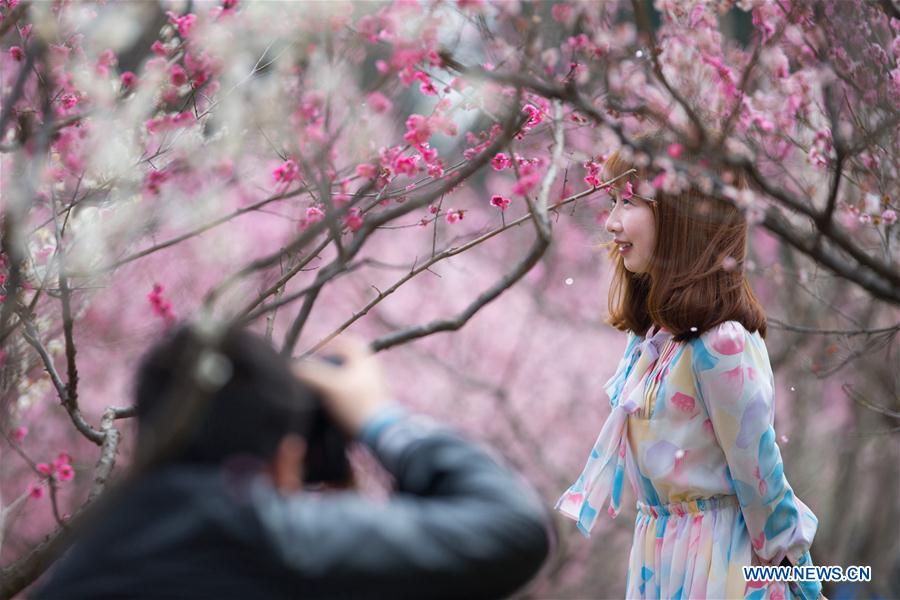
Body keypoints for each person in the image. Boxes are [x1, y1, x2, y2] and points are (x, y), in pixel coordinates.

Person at [34, 325, 551, 599]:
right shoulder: (266, 538)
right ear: (287, 456)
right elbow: (513, 528)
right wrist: (379, 420)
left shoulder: (82, 568)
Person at [555, 148, 823, 600]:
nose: (611, 222)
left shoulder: (722, 344)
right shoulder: (653, 343)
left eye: (628, 201)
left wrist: (803, 581)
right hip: (661, 556)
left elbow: (762, 482)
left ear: (682, 215)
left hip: (720, 563)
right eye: (613, 203)